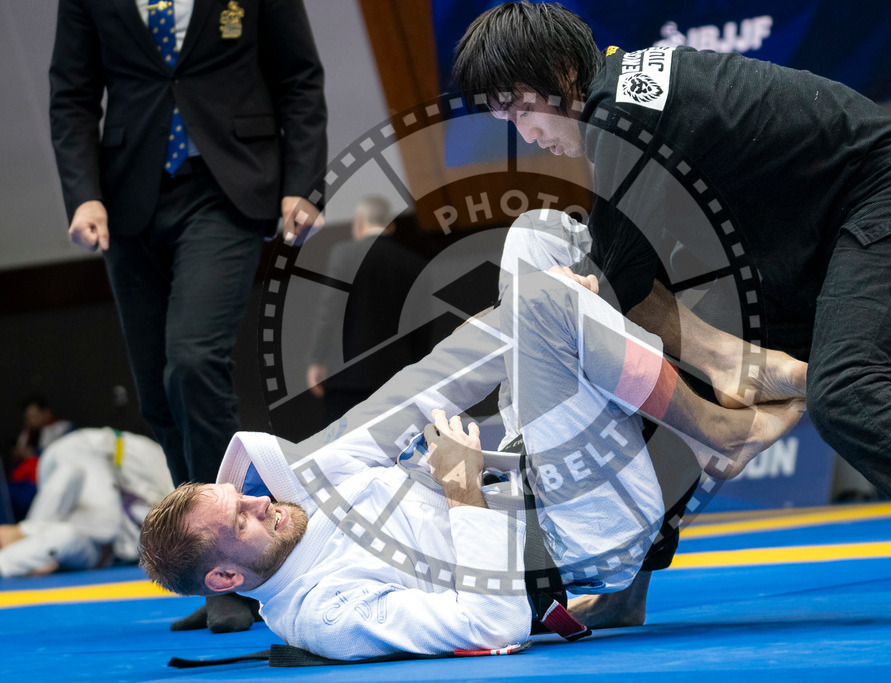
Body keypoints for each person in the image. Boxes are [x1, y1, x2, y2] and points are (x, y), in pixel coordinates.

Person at [450, 1, 891, 629]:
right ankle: (628, 587)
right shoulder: (623, 97)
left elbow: (622, 276)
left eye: (521, 109)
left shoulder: (621, 110)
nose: (525, 134)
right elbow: (637, 275)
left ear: (561, 72)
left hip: (878, 195)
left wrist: (567, 294)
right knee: (667, 385)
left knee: (847, 393)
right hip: (784, 246)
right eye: (506, 119)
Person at [140, 254, 804, 661]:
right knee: (548, 301)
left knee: (542, 247)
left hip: (537, 471)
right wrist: (462, 492)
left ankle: (719, 380)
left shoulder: (315, 481)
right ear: (226, 579)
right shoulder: (325, 614)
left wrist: (535, 302)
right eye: (244, 518)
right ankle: (719, 434)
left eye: (244, 494)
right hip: (576, 536)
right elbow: (494, 625)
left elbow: (435, 376)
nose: (261, 500)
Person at [49, 0, 328, 632]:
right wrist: (84, 193)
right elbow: (71, 94)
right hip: (127, 197)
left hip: (229, 185)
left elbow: (299, 77)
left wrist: (302, 182)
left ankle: (244, 565)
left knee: (193, 363)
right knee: (157, 392)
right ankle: (210, 567)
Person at [306, 196, 430, 425]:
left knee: (342, 449)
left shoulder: (343, 254)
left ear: (359, 222)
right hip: (399, 378)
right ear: (390, 226)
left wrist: (317, 359)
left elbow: (329, 310)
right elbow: (422, 326)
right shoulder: (414, 263)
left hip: (348, 377)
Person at [0, 428, 173, 578]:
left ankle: (19, 541)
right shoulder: (156, 464)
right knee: (75, 479)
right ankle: (23, 532)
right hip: (79, 454)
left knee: (67, 535)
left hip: (97, 550)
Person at [4, 397, 75, 521]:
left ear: (46, 413)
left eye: (34, 416)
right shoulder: (28, 433)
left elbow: (67, 455)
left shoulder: (64, 429)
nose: (31, 420)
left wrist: (35, 453)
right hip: (25, 480)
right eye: (28, 417)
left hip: (48, 481)